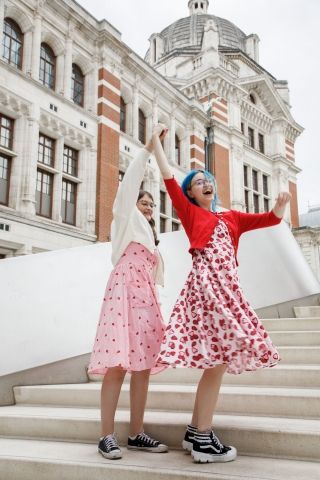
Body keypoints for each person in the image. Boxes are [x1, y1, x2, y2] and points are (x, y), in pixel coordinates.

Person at [152, 124, 291, 464]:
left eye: (207, 178)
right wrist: (155, 142)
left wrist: (281, 205)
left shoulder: (231, 216)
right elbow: (169, 178)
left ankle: (195, 431)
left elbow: (269, 220)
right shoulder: (190, 212)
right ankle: (201, 438)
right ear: (191, 194)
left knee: (217, 361)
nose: (205, 182)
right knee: (218, 361)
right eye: (197, 181)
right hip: (206, 287)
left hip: (228, 289)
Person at [88, 134, 168, 460]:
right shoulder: (124, 217)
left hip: (146, 296)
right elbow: (129, 184)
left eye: (152, 204)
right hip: (123, 291)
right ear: (132, 203)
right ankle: (106, 435)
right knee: (118, 365)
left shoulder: (150, 236)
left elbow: (156, 275)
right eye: (143, 202)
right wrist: (148, 150)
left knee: (144, 366)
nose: (148, 206)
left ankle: (136, 433)